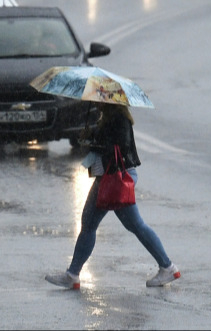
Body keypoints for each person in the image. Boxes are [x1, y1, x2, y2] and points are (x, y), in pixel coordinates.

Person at [45, 102, 180, 289]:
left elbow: (119, 145)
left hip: (116, 177)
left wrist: (95, 142)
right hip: (111, 176)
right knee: (130, 225)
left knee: (93, 223)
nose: (96, 103)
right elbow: (106, 143)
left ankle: (72, 275)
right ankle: (167, 267)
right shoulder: (108, 117)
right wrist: (89, 137)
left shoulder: (119, 119)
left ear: (108, 101)